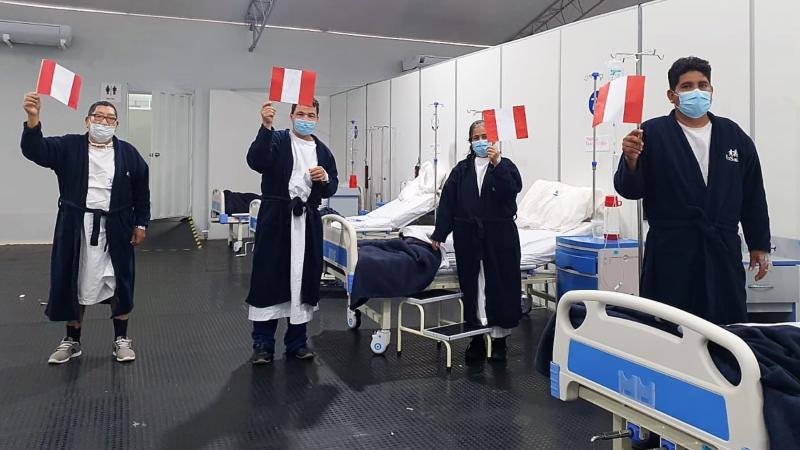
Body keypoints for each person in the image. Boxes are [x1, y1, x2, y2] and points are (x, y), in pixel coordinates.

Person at [615, 56, 771, 325]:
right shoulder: (651, 133)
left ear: (711, 90)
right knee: (670, 327)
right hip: (672, 251)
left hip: (721, 250)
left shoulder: (733, 135)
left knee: (724, 327)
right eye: (687, 86)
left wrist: (759, 244)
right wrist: (631, 161)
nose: (696, 91)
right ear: (672, 95)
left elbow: (753, 194)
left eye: (703, 85)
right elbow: (631, 190)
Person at [20, 93, 150, 364]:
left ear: (116, 124)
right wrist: (33, 119)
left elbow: (141, 192)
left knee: (120, 282)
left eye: (110, 119)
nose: (104, 122)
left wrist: (141, 223)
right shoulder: (69, 146)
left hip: (116, 227)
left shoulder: (128, 153)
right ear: (87, 120)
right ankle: (72, 340)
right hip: (76, 226)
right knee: (75, 280)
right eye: (99, 117)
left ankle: (121, 339)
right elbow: (35, 150)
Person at [245, 99, 338, 364]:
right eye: (301, 114)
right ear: (291, 115)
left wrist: (325, 179)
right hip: (276, 219)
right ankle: (263, 344)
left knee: (302, 280)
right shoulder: (277, 140)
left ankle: (297, 342)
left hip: (306, 222)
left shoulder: (322, 151)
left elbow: (332, 186)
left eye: (311, 115)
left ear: (317, 118)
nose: (305, 119)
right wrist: (266, 126)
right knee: (269, 277)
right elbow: (256, 161)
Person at [430, 120, 523, 363]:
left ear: (494, 139)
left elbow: (511, 190)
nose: (481, 141)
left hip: (500, 235)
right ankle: (477, 339)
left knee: (499, 286)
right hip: (468, 236)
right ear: (470, 141)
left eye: (485, 136)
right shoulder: (461, 170)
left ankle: (500, 341)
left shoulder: (505, 166)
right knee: (473, 285)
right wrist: (439, 234)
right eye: (476, 137)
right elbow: (448, 203)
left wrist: (497, 163)